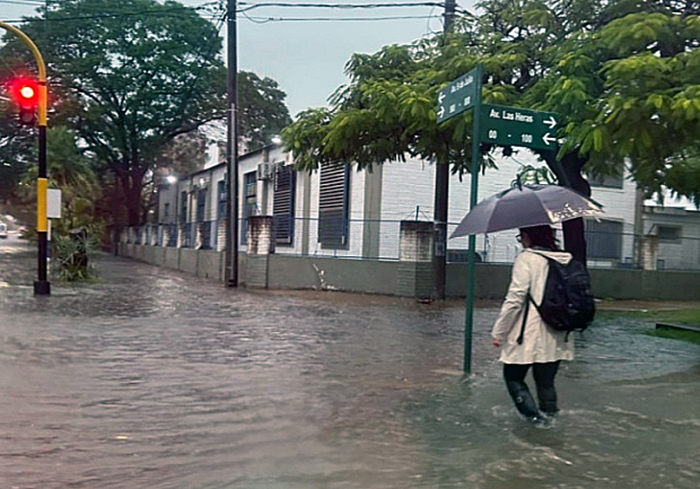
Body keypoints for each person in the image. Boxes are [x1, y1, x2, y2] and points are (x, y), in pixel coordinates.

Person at [491, 224, 574, 425]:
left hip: (528, 331)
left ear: (527, 236)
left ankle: (535, 422)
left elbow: (515, 298)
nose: (521, 241)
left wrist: (499, 332)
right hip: (558, 330)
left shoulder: (527, 258)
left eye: (521, 236)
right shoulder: (565, 259)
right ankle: (551, 421)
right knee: (546, 382)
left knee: (513, 378)